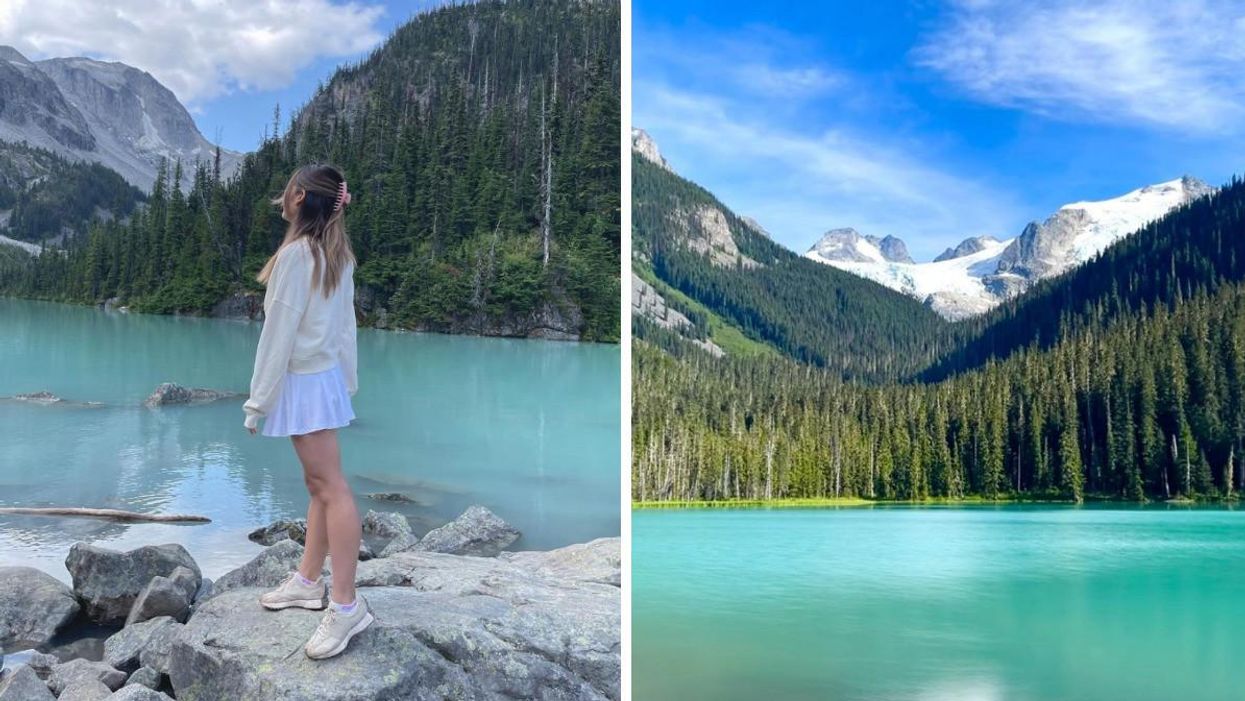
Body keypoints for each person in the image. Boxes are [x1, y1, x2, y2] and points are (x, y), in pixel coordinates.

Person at [241, 163, 372, 660]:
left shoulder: (297, 257)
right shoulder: (336, 256)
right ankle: (307, 580)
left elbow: (277, 336)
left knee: (332, 489)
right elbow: (345, 330)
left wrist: (258, 403)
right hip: (323, 381)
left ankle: (346, 606)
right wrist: (347, 382)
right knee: (320, 486)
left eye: (286, 191)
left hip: (304, 382)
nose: (282, 198)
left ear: (297, 197)